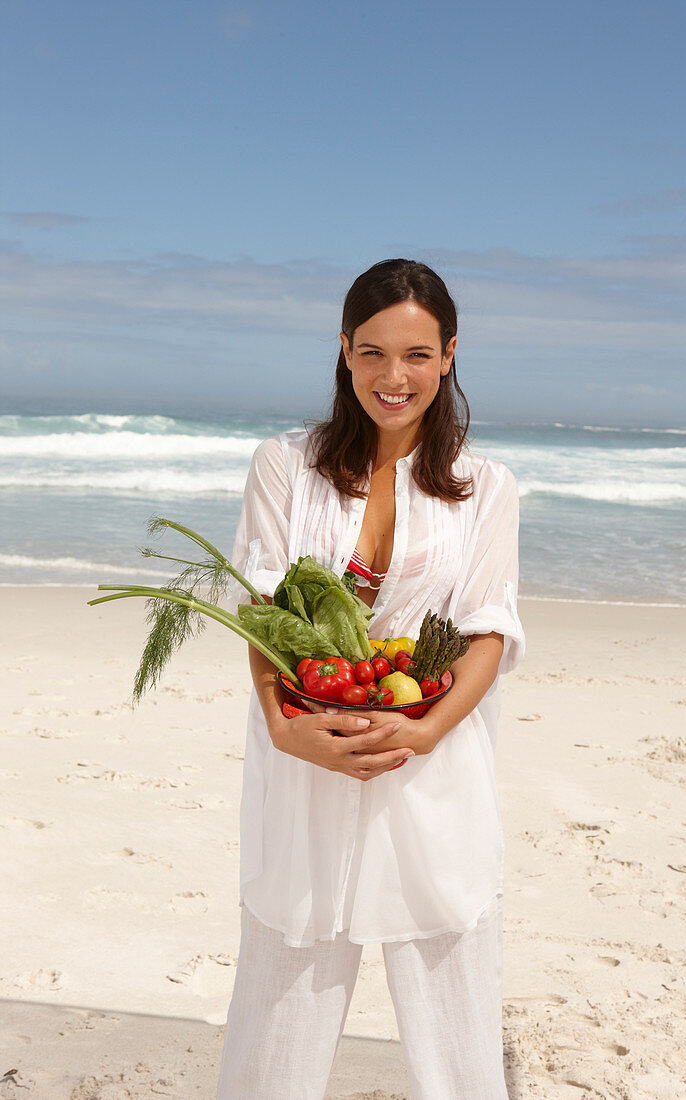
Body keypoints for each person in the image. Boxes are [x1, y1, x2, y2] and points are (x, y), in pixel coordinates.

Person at [217, 258, 525, 1099]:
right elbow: (261, 608)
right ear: (344, 352)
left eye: (417, 355)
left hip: (432, 756)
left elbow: (488, 631)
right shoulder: (285, 465)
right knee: (287, 965)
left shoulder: (486, 488)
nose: (394, 378)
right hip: (305, 747)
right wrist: (286, 730)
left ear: (449, 355)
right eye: (373, 354)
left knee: (450, 962)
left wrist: (426, 729)